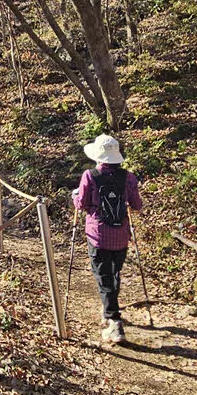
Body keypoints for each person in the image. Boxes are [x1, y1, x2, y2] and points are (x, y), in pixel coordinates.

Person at [72, 134, 143, 344]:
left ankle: (114, 322)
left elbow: (81, 204)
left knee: (103, 276)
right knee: (114, 273)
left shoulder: (90, 175)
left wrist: (75, 196)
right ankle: (108, 311)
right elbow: (137, 205)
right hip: (120, 235)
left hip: (98, 235)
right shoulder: (128, 177)